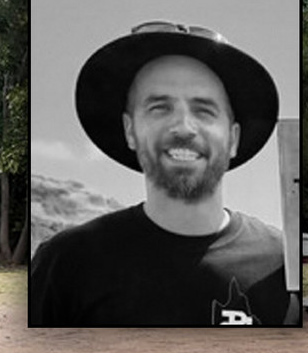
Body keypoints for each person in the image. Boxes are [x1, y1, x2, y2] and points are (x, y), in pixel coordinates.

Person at [29, 21, 290, 326]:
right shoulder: (66, 264)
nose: (183, 127)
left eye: (204, 110)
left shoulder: (281, 263)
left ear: (233, 138)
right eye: (159, 108)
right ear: (130, 130)